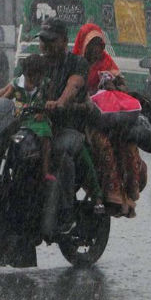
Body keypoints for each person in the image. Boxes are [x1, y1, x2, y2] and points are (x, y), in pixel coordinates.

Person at [72, 23, 146, 217]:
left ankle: (128, 194)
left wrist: (114, 86)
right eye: (92, 44)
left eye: (99, 44)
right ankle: (111, 193)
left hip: (110, 118)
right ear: (84, 45)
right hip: (86, 120)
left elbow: (122, 85)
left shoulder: (107, 62)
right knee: (103, 145)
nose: (96, 50)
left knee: (127, 145)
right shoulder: (76, 64)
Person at [38, 18, 90, 231]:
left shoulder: (77, 63)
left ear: (65, 41)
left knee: (61, 157)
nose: (46, 45)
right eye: (43, 40)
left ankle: (67, 212)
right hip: (41, 125)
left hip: (68, 127)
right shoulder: (38, 63)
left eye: (51, 40)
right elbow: (16, 85)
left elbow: (74, 85)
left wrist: (60, 103)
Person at [0, 54, 54, 181]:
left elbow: (51, 102)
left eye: (35, 76)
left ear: (41, 75)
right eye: (29, 76)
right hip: (18, 119)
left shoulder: (47, 85)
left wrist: (44, 113)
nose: (31, 80)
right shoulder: (17, 84)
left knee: (45, 136)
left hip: (36, 120)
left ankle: (45, 170)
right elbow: (3, 97)